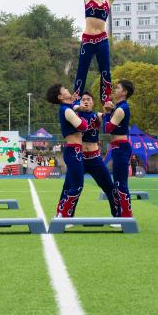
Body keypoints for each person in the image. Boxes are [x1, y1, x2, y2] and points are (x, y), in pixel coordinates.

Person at [58, 0, 142, 105]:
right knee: (82, 69)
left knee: (105, 70)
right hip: (88, 40)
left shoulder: (109, 0)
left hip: (102, 40)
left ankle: (106, 99)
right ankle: (76, 98)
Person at [46, 83, 92, 218]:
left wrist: (77, 105)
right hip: (74, 152)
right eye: (64, 89)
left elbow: (75, 107)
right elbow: (83, 126)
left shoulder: (67, 108)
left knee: (68, 186)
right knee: (77, 185)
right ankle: (64, 215)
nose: (67, 89)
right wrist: (82, 113)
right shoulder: (67, 110)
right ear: (60, 96)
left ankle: (60, 213)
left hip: (73, 150)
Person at [77, 91, 120, 216]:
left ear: (92, 102)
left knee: (109, 187)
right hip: (78, 158)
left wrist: (109, 109)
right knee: (72, 188)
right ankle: (66, 217)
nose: (86, 101)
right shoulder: (74, 115)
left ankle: (117, 215)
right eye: (83, 99)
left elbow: (109, 119)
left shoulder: (97, 116)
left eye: (88, 99)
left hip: (95, 158)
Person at [103, 79, 136, 218]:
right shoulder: (119, 108)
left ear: (124, 92)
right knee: (118, 183)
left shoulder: (121, 109)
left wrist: (106, 113)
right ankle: (122, 215)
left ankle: (126, 216)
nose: (115, 90)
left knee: (120, 184)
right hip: (118, 147)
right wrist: (110, 111)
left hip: (121, 147)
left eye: (118, 88)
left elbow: (108, 128)